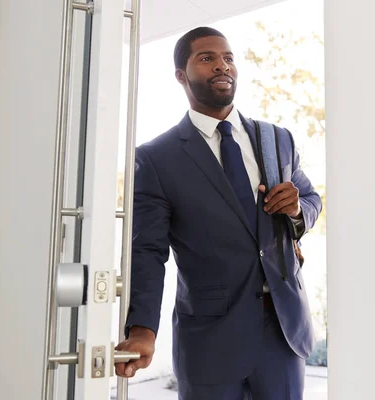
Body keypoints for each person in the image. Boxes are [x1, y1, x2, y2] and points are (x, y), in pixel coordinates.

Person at [115, 26, 322, 400]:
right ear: (182, 75)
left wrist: (296, 209)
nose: (222, 66)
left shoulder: (277, 139)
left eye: (228, 58)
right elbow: (147, 251)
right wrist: (143, 329)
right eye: (207, 58)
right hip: (209, 337)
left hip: (283, 331)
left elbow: (310, 199)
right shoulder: (156, 158)